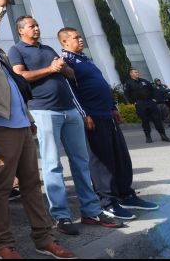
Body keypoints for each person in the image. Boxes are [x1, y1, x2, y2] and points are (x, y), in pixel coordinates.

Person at [0, 0, 75, 260]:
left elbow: (14, 89)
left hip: (21, 126)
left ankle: (44, 238)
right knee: (1, 188)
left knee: (32, 185)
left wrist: (29, 120)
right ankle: (4, 245)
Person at [9, 15, 123, 236]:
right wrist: (51, 70)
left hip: (69, 110)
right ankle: (62, 216)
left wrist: (63, 68)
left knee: (81, 162)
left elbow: (70, 76)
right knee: (52, 165)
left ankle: (91, 211)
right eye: (32, 26)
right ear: (21, 30)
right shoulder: (17, 50)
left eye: (37, 24)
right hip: (44, 110)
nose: (37, 28)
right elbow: (20, 76)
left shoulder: (49, 49)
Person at [58, 28, 159, 221]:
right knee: (101, 160)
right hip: (93, 117)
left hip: (107, 115)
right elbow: (70, 91)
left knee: (119, 156)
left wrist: (113, 107)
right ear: (64, 42)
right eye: (75, 37)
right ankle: (107, 202)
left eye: (81, 36)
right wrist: (84, 114)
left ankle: (126, 195)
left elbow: (101, 84)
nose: (80, 39)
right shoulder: (65, 61)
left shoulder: (85, 59)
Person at [123, 70, 170, 143]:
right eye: (135, 72)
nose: (137, 73)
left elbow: (153, 90)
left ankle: (163, 135)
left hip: (150, 102)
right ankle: (148, 137)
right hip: (140, 103)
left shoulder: (144, 81)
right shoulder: (128, 83)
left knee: (157, 119)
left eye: (137, 72)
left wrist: (154, 99)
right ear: (131, 74)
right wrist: (133, 102)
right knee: (145, 120)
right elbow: (127, 94)